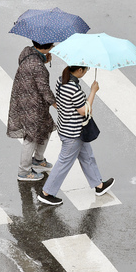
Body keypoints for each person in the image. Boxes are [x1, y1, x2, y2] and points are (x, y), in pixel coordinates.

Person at [37, 65, 114, 206]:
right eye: (86, 70)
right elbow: (84, 111)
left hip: (70, 128)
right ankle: (46, 193)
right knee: (63, 163)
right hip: (73, 133)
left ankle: (99, 185)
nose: (86, 72)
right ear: (79, 70)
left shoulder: (61, 81)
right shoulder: (73, 88)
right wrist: (93, 92)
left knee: (87, 156)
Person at [7, 41, 57, 181]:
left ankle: (38, 160)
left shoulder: (27, 52)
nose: (53, 48)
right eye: (51, 46)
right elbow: (44, 89)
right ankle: (23, 171)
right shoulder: (37, 66)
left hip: (25, 99)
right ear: (45, 47)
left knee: (46, 128)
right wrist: (56, 104)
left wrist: (43, 59)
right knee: (31, 137)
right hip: (32, 104)